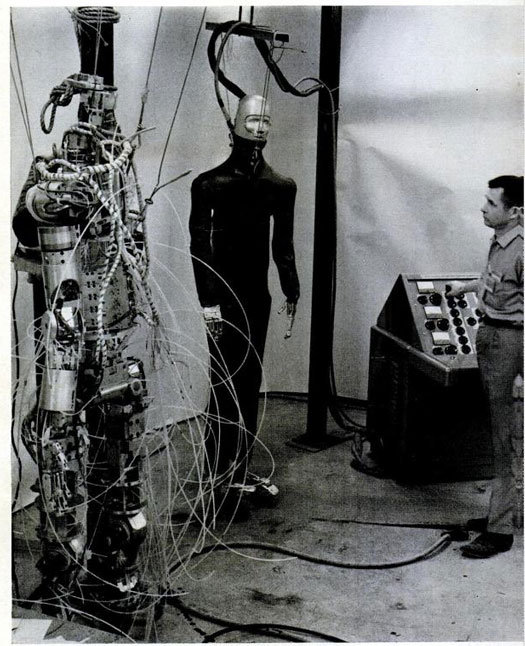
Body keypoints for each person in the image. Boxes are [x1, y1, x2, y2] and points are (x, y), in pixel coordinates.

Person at [189, 95, 300, 505]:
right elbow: (199, 247)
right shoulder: (209, 185)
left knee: (249, 382)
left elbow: (282, 245)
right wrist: (208, 302)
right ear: (234, 122)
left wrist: (291, 289)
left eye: (265, 120)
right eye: (252, 119)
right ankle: (217, 472)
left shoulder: (280, 186)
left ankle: (240, 469)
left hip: (257, 298)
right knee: (223, 381)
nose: (259, 127)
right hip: (222, 299)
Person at [447, 175, 523, 558]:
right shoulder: (500, 241)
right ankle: (502, 514)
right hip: (493, 339)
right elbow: (492, 283)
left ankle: (500, 531)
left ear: (515, 212)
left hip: (510, 345)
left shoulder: (522, 250)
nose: (483, 208)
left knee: (506, 439)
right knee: (499, 434)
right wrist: (463, 288)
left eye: (492, 204)